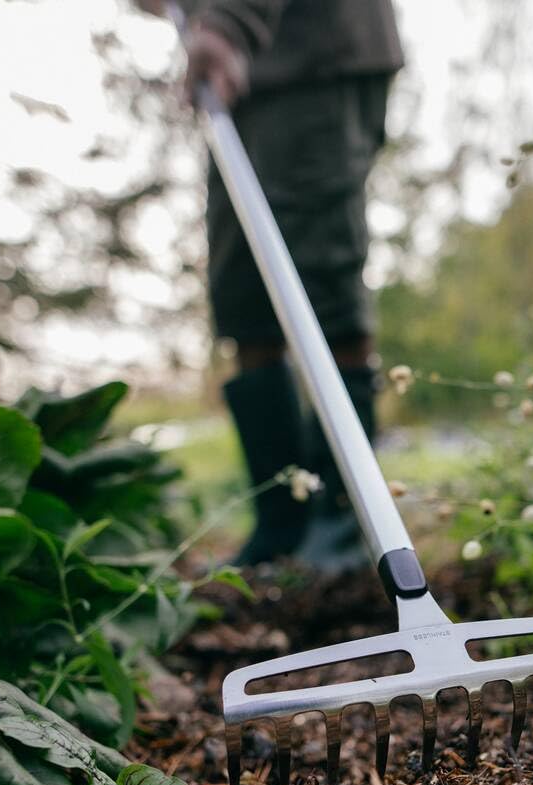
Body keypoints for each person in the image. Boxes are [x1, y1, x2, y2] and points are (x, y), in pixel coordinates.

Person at [140, 0, 404, 572]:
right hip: (244, 78)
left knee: (320, 288)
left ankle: (343, 523)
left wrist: (230, 21)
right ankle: (282, 523)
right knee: (244, 300)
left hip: (314, 54)